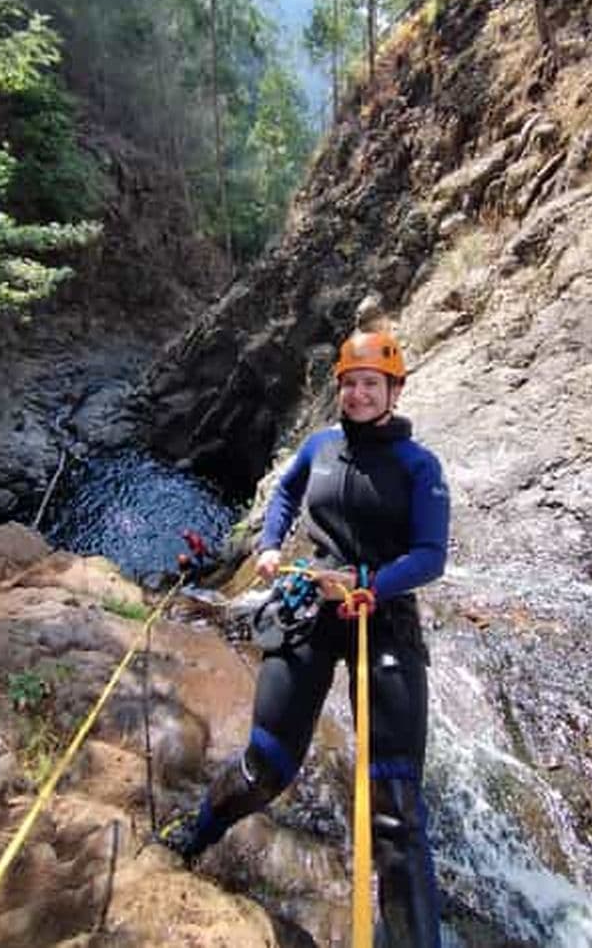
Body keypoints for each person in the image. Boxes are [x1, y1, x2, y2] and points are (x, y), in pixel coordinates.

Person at [158, 329, 450, 947]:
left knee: (395, 806)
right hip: (310, 610)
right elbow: (288, 490)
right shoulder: (320, 446)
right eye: (350, 384)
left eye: (372, 384)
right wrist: (268, 546)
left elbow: (430, 555)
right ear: (339, 388)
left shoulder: (418, 466)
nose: (359, 394)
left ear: (393, 390)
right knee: (267, 762)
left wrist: (373, 581)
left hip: (381, 616)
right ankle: (196, 833)